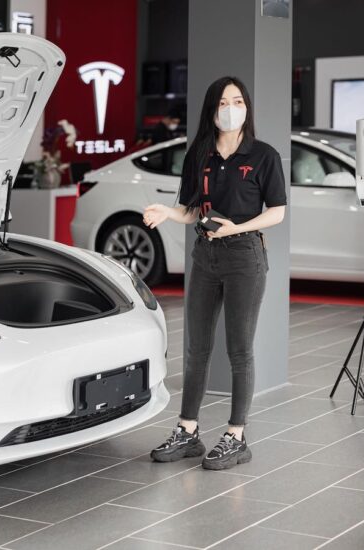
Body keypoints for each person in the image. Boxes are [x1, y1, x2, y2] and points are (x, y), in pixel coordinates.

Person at [142, 76, 286, 470]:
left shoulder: (264, 156)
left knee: (239, 350)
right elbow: (192, 211)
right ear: (212, 110)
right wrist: (167, 212)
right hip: (205, 257)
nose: (231, 108)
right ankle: (187, 430)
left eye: (238, 101)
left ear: (246, 108)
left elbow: (277, 211)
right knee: (197, 348)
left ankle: (236, 435)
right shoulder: (200, 155)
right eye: (223, 102)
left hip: (245, 257)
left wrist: (235, 228)